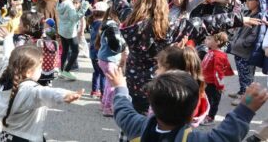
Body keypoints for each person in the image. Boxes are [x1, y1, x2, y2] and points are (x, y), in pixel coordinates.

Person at [103, 0, 262, 116]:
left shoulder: (129, 20)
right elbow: (204, 23)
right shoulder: (168, 28)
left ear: (139, 4)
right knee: (157, 121)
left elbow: (119, 0)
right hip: (159, 83)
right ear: (162, 5)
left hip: (134, 82)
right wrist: (240, 19)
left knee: (135, 120)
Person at [107, 69, 268, 142]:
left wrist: (120, 86)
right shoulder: (193, 139)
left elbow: (122, 109)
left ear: (151, 104)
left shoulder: (137, 127)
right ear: (193, 113)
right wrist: (246, 109)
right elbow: (226, 136)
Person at [0, 45, 84, 142]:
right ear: (28, 72)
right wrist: (65, 94)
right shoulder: (29, 90)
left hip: (7, 136)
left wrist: (8, 38)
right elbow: (46, 93)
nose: (41, 70)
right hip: (27, 137)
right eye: (40, 67)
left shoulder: (5, 77)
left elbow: (7, 57)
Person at [228, 0, 267, 106]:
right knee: (241, 74)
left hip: (246, 52)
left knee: (247, 77)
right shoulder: (247, 12)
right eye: (246, 0)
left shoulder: (260, 16)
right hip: (239, 51)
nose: (247, 2)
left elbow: (254, 36)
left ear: (258, 1)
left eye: (250, 0)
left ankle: (246, 99)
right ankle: (241, 92)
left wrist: (242, 43)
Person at [154, 46, 209, 128]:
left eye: (159, 67)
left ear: (172, 72)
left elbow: (157, 121)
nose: (156, 71)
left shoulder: (168, 96)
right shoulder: (194, 88)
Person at [96, 6, 127, 117]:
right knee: (112, 86)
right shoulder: (113, 27)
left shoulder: (107, 24)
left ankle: (104, 104)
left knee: (108, 84)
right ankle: (108, 108)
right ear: (115, 15)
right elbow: (116, 45)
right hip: (110, 60)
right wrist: (124, 46)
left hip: (104, 58)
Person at [200, 32, 234, 125]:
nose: (206, 40)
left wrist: (220, 86)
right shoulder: (211, 51)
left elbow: (219, 74)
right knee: (206, 100)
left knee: (213, 101)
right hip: (206, 81)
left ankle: (210, 117)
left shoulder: (218, 55)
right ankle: (203, 114)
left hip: (213, 84)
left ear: (218, 42)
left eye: (209, 39)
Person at [57, 0, 90, 81]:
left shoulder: (61, 3)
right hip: (70, 32)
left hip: (62, 30)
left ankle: (61, 70)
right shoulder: (70, 5)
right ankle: (66, 71)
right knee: (75, 51)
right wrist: (84, 8)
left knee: (65, 50)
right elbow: (74, 18)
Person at [88, 2, 108, 99]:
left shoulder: (93, 23)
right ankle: (103, 94)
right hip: (99, 53)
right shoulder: (102, 24)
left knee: (96, 72)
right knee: (103, 74)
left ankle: (94, 91)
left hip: (92, 53)